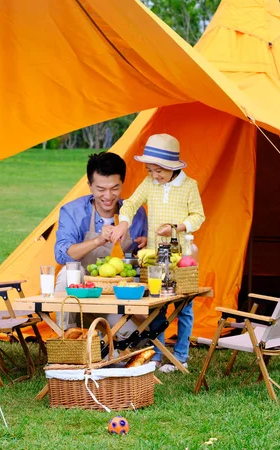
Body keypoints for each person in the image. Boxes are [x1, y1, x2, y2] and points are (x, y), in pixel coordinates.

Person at [110, 134, 205, 372]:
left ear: (171, 167)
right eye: (150, 170)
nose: (154, 176)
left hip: (181, 257)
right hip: (154, 258)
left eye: (158, 171)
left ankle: (181, 355)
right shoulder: (150, 184)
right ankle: (157, 355)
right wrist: (123, 222)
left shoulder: (189, 186)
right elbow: (130, 204)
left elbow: (198, 216)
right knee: (156, 309)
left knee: (184, 309)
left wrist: (177, 227)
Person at [54, 152, 147, 335]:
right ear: (89, 186)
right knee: (69, 271)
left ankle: (103, 338)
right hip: (79, 294)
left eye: (114, 188)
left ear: (122, 184)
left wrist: (146, 246)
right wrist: (97, 241)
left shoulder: (136, 214)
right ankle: (69, 336)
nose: (108, 195)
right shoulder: (73, 212)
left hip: (115, 295)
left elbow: (138, 261)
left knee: (134, 336)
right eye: (100, 189)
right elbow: (61, 254)